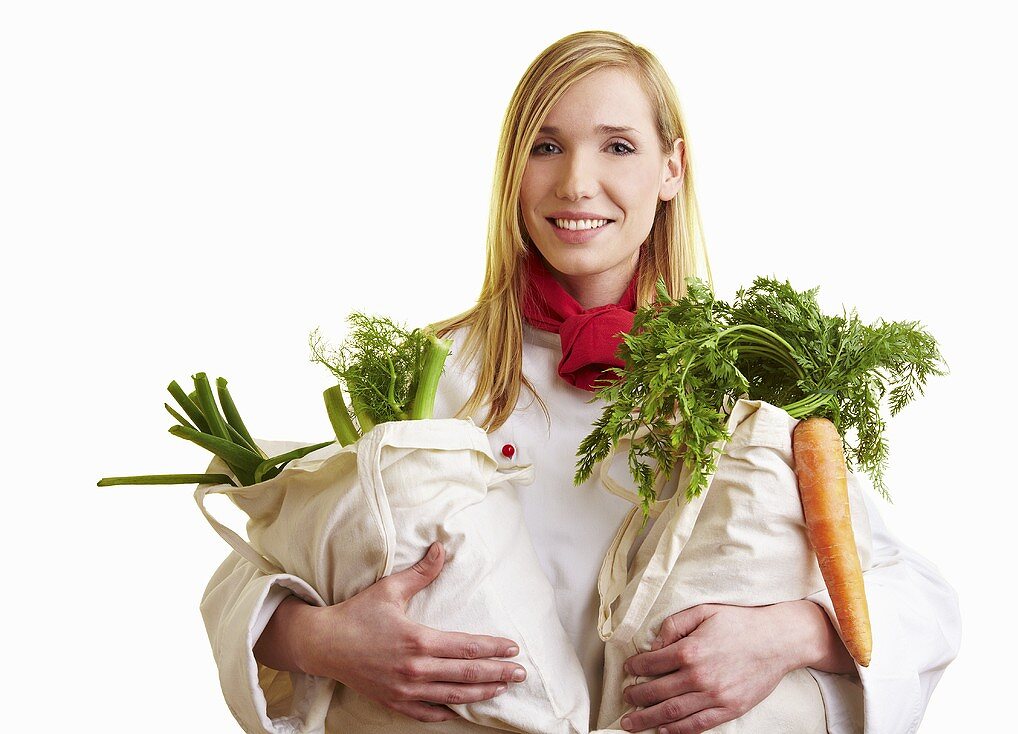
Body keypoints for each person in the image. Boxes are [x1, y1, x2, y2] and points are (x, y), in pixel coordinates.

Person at [201, 30, 961, 734]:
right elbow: (260, 568)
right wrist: (324, 641)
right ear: (512, 171)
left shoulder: (745, 380)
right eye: (546, 146)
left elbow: (922, 601)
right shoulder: (430, 371)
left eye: (618, 146)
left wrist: (787, 634)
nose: (576, 182)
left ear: (671, 169)